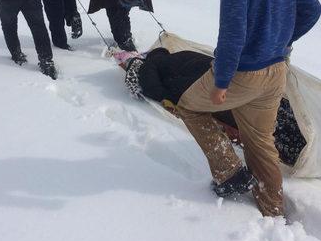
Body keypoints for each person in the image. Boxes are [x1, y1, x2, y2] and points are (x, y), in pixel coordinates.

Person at [171, 0, 321, 217]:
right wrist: (281, 39)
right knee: (260, 141)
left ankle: (230, 173)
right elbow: (312, 9)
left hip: (244, 72)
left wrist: (221, 81)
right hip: (276, 70)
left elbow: (233, 34)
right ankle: (272, 209)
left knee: (188, 106)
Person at [117, 48, 306, 166]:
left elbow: (154, 88)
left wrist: (167, 97)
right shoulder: (179, 54)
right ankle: (302, 135)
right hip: (231, 77)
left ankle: (291, 146)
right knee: (268, 106)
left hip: (210, 90)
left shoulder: (151, 68)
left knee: (245, 116)